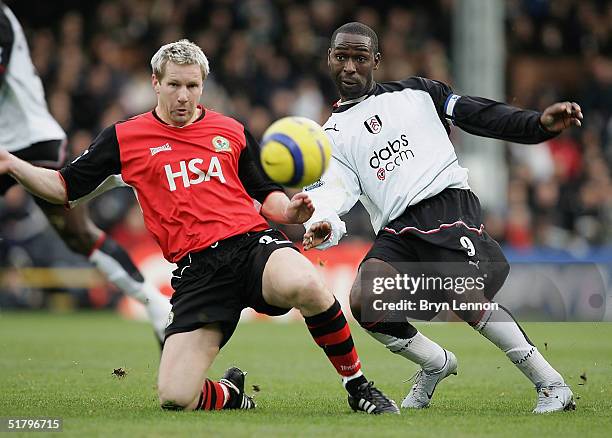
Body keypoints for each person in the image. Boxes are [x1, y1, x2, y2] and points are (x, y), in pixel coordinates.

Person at [0, 38, 399, 414]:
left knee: (307, 283)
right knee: (175, 396)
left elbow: (267, 196)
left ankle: (358, 386)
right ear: (155, 83)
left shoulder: (232, 130)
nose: (183, 96)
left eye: (192, 85)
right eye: (174, 84)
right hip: (198, 272)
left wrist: (293, 213)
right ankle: (229, 393)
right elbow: (62, 187)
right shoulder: (124, 137)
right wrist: (12, 164)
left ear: (203, 85)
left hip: (251, 245)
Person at [303, 22, 583, 414]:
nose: (350, 66)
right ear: (329, 59)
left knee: (466, 296)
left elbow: (478, 113)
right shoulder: (329, 135)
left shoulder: (418, 92)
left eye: (360, 58)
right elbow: (334, 195)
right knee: (366, 301)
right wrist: (325, 223)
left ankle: (552, 384)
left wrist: (536, 125)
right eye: (342, 57)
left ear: (376, 62)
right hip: (397, 227)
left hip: (446, 204)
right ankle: (435, 363)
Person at [0, 2, 170, 342]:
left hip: (29, 139)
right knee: (80, 235)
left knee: (80, 235)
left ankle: (157, 307)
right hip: (22, 138)